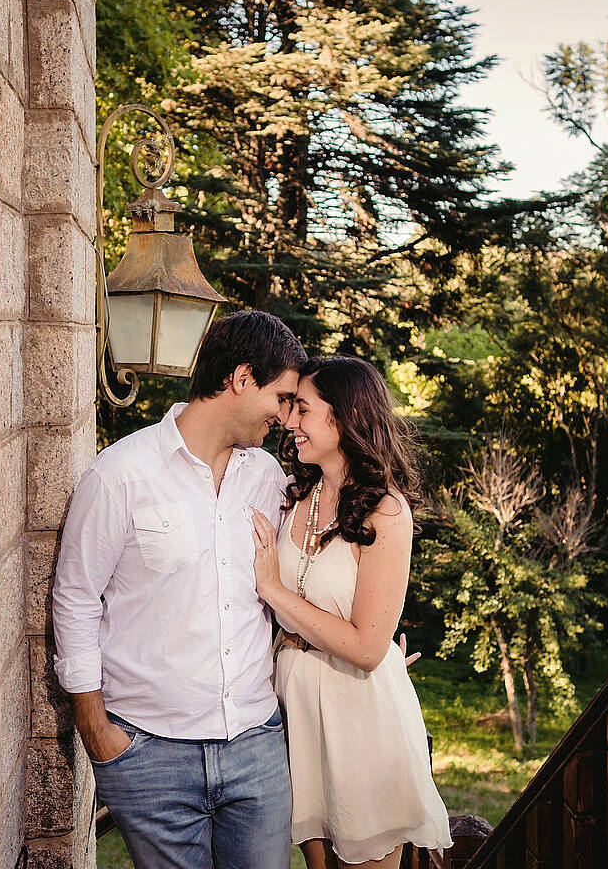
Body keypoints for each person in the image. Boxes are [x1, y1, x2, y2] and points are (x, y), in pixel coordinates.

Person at [51, 309, 308, 869]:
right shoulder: (119, 475)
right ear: (242, 379)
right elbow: (75, 599)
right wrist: (95, 729)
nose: (287, 417)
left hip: (256, 747)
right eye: (283, 397)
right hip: (148, 755)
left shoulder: (269, 479)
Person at [250, 356, 452, 868]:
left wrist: (274, 590)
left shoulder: (387, 511)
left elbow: (365, 648)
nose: (290, 421)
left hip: (358, 717)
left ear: (342, 419)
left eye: (303, 409)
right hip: (297, 715)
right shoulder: (296, 496)